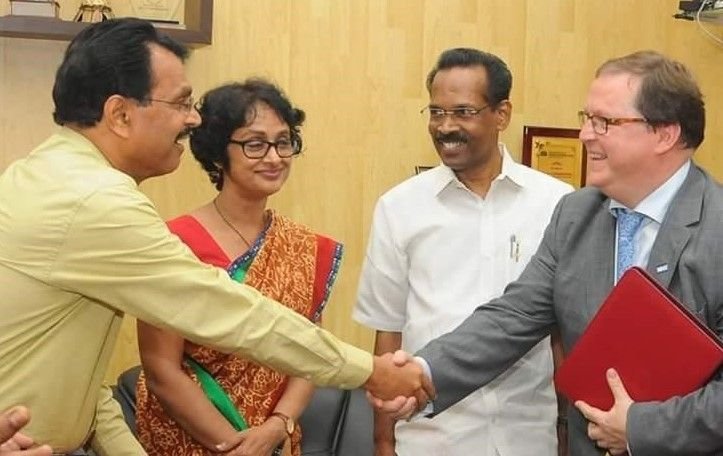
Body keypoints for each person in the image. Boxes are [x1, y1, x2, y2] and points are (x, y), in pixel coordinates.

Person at [0, 18, 431, 455]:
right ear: (121, 114)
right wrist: (370, 371)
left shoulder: (48, 174)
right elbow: (225, 312)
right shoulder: (93, 200)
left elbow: (79, 384)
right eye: (181, 102)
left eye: (285, 143)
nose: (192, 118)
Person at [376, 50, 723, 456]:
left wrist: (640, 428)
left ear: (665, 134)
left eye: (604, 122)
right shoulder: (577, 215)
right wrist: (423, 372)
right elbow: (514, 316)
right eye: (586, 118)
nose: (585, 135)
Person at [353, 48, 573, 456]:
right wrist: (383, 442)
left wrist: (567, 435)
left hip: (528, 437)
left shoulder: (557, 203)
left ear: (502, 115)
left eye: (463, 112)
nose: (445, 127)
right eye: (436, 113)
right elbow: (388, 335)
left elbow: (562, 332)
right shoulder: (399, 207)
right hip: (431, 438)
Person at [135, 79, 337, 456]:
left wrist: (277, 426)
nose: (274, 157)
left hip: (274, 439)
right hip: (188, 438)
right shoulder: (173, 242)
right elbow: (162, 369)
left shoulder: (302, 247)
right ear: (216, 154)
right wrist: (235, 446)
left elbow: (310, 352)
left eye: (283, 141)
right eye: (255, 144)